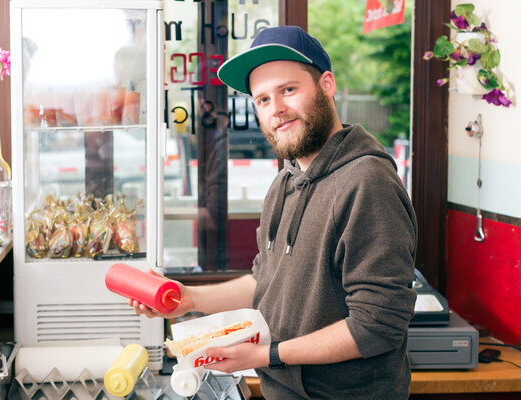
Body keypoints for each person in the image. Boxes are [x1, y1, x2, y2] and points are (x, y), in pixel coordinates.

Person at [131, 25, 418, 399]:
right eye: (262, 99)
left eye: (288, 90)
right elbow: (265, 281)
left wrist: (267, 355)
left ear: (326, 84)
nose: (276, 109)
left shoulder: (367, 182)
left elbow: (377, 326)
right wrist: (189, 299)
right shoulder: (285, 181)